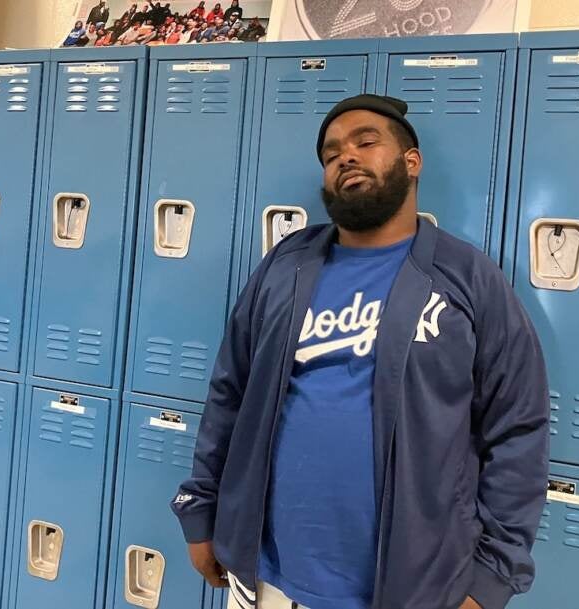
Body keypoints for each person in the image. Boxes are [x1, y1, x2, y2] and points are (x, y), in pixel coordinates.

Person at [171, 94, 550, 609]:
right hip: (263, 578)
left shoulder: (467, 278)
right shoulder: (287, 264)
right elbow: (229, 390)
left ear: (411, 162)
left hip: (408, 589)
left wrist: (490, 580)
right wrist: (202, 508)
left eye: (365, 143)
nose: (345, 157)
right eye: (331, 155)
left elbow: (518, 426)